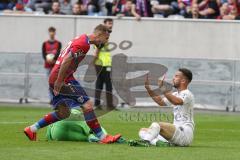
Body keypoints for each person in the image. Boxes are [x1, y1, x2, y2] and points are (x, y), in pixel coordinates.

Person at [24, 24, 121, 144]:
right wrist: (59, 81)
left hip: (58, 76)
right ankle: (102, 137)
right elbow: (66, 61)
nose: (106, 42)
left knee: (63, 113)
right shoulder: (83, 44)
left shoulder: (81, 39)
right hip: (63, 78)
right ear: (99, 35)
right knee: (87, 105)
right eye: (106, 39)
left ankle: (31, 129)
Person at [140, 68, 194, 146]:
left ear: (183, 81)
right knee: (143, 131)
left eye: (176, 76)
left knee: (157, 125)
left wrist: (162, 88)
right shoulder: (176, 94)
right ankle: (161, 144)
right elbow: (160, 102)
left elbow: (177, 101)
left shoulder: (187, 94)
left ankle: (145, 142)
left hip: (184, 134)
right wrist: (149, 89)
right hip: (175, 132)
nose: (173, 78)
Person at [93, 18, 115, 110]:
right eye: (109, 23)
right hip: (102, 64)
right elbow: (97, 49)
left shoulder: (104, 35)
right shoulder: (103, 37)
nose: (111, 25)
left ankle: (97, 104)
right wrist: (94, 60)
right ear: (104, 24)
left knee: (100, 84)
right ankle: (109, 105)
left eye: (112, 23)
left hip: (103, 64)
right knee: (107, 85)